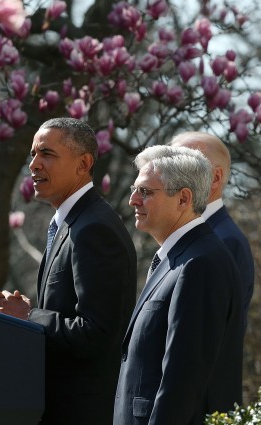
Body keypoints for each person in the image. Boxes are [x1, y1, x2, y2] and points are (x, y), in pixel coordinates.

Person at [0, 117, 137, 425]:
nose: (34, 165)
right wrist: (21, 316)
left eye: (47, 154)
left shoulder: (94, 228)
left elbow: (96, 332)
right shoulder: (71, 223)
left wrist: (29, 316)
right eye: (33, 154)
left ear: (83, 164)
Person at [114, 145, 243, 425]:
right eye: (136, 189)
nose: (132, 200)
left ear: (184, 198)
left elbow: (182, 380)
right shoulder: (180, 257)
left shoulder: (200, 263)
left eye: (145, 192)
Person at [169, 131, 254, 333]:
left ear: (215, 178)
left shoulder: (226, 241)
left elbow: (208, 335)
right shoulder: (183, 231)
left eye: (183, 165)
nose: (168, 175)